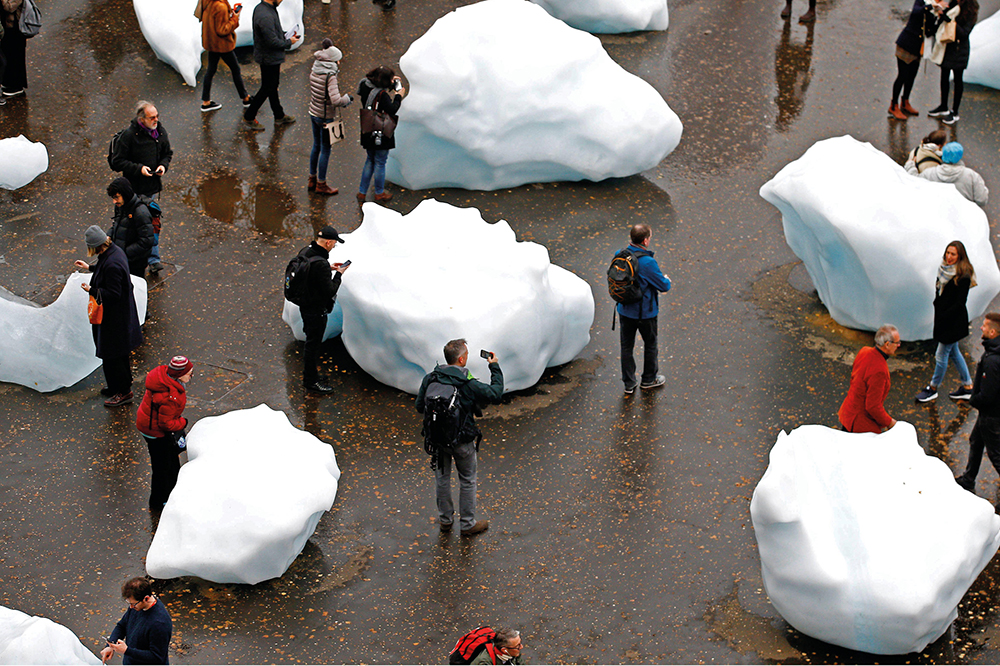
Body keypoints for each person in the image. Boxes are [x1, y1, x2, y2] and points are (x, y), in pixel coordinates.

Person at [415, 339, 503, 537]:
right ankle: (467, 524)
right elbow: (496, 394)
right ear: (462, 359)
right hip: (461, 440)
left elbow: (420, 406)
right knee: (467, 480)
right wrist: (494, 366)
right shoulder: (467, 383)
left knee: (442, 479)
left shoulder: (430, 378)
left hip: (436, 439)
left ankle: (445, 521)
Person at [74, 226, 143, 408]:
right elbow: (106, 269)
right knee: (117, 355)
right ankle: (117, 386)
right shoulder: (115, 252)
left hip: (113, 320)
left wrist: (92, 290)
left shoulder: (111, 263)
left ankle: (123, 392)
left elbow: (113, 293)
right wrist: (90, 268)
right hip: (120, 317)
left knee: (113, 356)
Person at [110, 101, 173, 274]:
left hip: (150, 189)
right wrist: (139, 169)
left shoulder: (159, 131)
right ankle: (126, 258)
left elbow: (168, 153)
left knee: (149, 224)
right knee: (130, 226)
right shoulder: (129, 136)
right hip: (132, 191)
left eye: (157, 116)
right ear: (141, 118)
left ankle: (152, 259)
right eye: (152, 117)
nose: (156, 120)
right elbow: (117, 161)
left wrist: (162, 166)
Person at [615, 224, 672, 394]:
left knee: (626, 347)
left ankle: (629, 383)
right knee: (650, 344)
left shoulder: (620, 255)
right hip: (645, 313)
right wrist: (667, 279)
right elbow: (663, 286)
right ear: (645, 240)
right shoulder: (647, 262)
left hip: (624, 310)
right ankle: (648, 379)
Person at [916, 241, 976, 402]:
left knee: (941, 355)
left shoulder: (963, 275)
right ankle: (968, 386)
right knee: (954, 353)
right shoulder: (943, 270)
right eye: (948, 253)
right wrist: (938, 306)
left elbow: (959, 303)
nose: (949, 257)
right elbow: (939, 292)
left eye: (953, 254)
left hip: (952, 322)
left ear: (960, 256)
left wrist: (943, 315)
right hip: (943, 319)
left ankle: (933, 388)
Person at [295, 226, 349, 393]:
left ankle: (311, 376)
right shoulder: (321, 264)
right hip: (316, 311)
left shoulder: (306, 251)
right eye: (334, 244)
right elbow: (330, 290)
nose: (334, 246)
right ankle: (311, 381)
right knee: (312, 346)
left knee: (311, 343)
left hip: (305, 306)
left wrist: (329, 267)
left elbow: (311, 275)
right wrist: (339, 273)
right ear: (328, 242)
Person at [136, 356, 193, 511]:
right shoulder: (170, 396)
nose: (191, 376)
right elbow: (166, 424)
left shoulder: (163, 379)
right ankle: (159, 502)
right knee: (162, 467)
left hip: (148, 425)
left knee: (170, 463)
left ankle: (170, 492)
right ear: (179, 375)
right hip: (156, 432)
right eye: (189, 373)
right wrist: (182, 422)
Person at [955, 313, 1000, 493]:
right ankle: (968, 478)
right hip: (990, 413)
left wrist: (974, 399)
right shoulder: (994, 351)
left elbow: (988, 395)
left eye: (984, 326)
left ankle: (968, 479)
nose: (980, 328)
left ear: (993, 331)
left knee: (996, 454)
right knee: (976, 440)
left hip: (991, 415)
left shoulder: (992, 361)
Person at [243, 0, 299, 131]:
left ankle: (279, 114)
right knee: (268, 87)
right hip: (269, 57)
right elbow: (272, 42)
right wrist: (288, 41)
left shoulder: (265, 8)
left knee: (272, 86)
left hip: (268, 56)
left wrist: (284, 34)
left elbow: (272, 33)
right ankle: (249, 116)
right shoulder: (265, 15)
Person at [308, 39, 353, 196]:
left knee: (316, 146)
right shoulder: (330, 76)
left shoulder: (315, 68)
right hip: (325, 117)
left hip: (313, 112)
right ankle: (321, 184)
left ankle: (311, 179)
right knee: (325, 149)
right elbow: (336, 100)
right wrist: (347, 99)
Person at [838, 324, 900, 433]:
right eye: (897, 342)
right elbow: (873, 406)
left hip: (848, 414)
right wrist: (890, 422)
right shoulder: (880, 370)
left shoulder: (864, 351)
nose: (898, 345)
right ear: (887, 344)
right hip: (860, 424)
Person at [357, 65, 404, 203]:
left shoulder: (365, 85)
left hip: (368, 129)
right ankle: (379, 193)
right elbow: (391, 109)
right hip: (380, 131)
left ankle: (362, 191)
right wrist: (398, 96)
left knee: (370, 160)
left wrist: (389, 82)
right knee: (380, 162)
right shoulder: (382, 95)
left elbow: (375, 93)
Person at [928, 0, 979, 125]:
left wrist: (950, 21)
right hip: (948, 47)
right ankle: (943, 106)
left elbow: (964, 33)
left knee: (957, 80)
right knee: (944, 76)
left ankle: (955, 111)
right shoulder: (953, 5)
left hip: (959, 49)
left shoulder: (971, 10)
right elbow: (941, 23)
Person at [100, 577, 172, 665]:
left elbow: (157, 657)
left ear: (146, 598)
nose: (131, 607)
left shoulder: (159, 623)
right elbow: (122, 626)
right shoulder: (137, 606)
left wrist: (127, 650)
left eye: (133, 604)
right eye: (129, 603)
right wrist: (110, 645)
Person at [197, 0, 250, 113]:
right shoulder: (220, 6)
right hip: (221, 44)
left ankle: (206, 102)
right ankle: (246, 99)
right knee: (235, 69)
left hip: (212, 42)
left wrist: (230, 13)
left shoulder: (207, 1)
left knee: (210, 70)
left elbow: (212, 19)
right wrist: (235, 18)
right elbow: (222, 30)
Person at [889, 0, 938, 120]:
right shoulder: (922, 2)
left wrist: (939, 17)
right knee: (902, 76)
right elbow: (916, 12)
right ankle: (893, 106)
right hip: (906, 45)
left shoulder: (933, 11)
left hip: (917, 48)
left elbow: (930, 31)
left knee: (912, 76)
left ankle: (905, 102)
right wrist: (931, 7)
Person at [908, 141, 989, 206]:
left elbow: (914, 181)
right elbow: (982, 200)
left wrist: (910, 164)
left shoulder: (930, 173)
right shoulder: (972, 176)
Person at [107, 177, 154, 278]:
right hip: (122, 258)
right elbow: (116, 224)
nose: (114, 202)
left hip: (135, 263)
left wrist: (123, 252)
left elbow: (146, 241)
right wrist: (108, 235)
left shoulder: (141, 213)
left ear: (125, 194)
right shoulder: (121, 206)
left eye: (116, 197)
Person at [0, 0, 27, 97]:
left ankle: (16, 86)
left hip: (15, 28)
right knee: (7, 54)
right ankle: (8, 82)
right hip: (7, 26)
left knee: (15, 56)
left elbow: (10, 7)